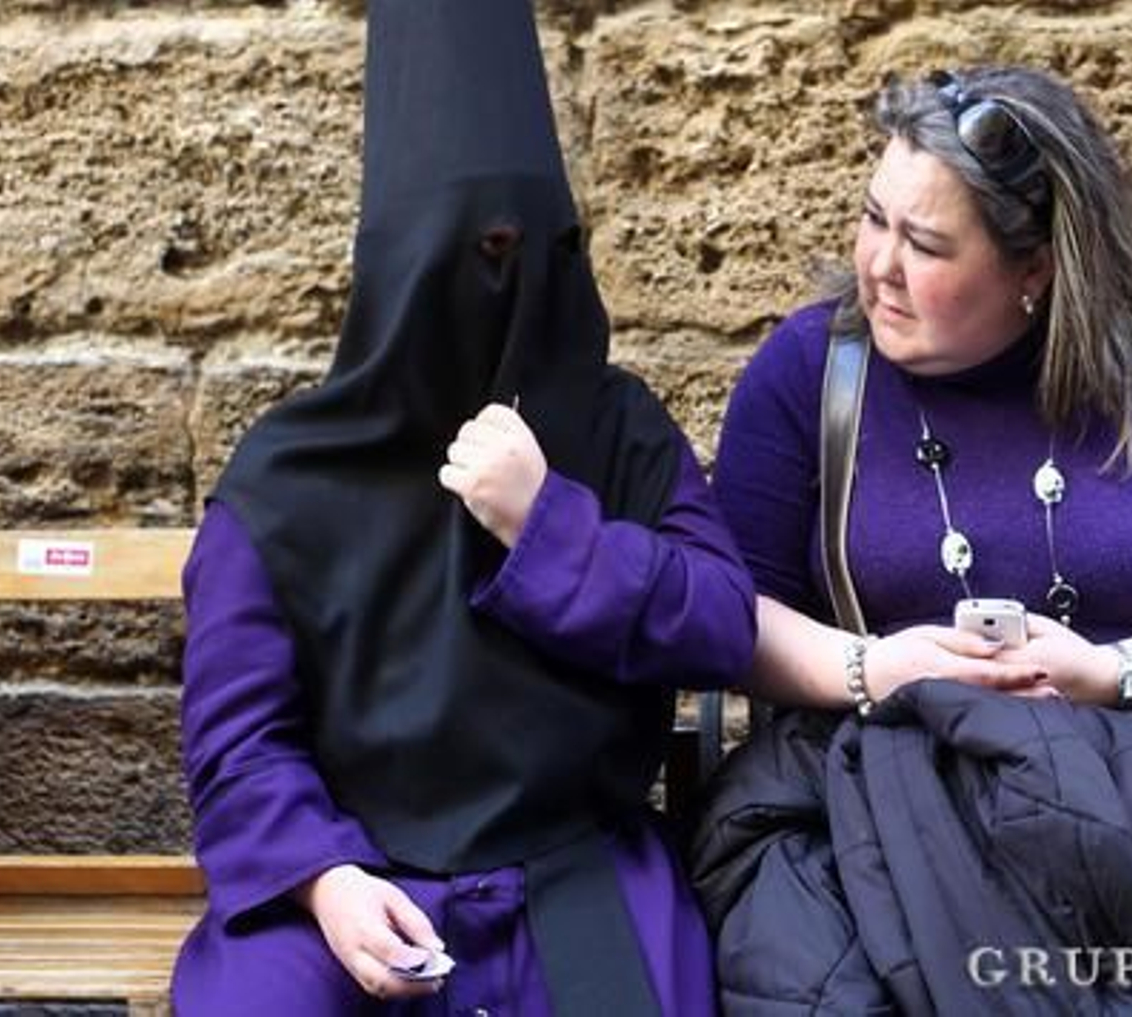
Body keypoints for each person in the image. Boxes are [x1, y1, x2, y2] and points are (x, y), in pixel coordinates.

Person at [692, 66, 1132, 1013]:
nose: (879, 265)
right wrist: (872, 668)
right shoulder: (808, 366)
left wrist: (1108, 670)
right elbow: (731, 604)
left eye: (923, 243)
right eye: (875, 218)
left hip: (1131, 784)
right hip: (868, 780)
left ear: (1035, 267)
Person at [170, 2, 754, 1014]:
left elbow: (719, 621)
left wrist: (549, 528)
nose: (503, 278)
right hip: (345, 874)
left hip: (573, 867)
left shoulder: (619, 430)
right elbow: (238, 740)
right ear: (399, 267)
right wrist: (325, 880)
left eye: (524, 246)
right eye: (469, 249)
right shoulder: (287, 477)